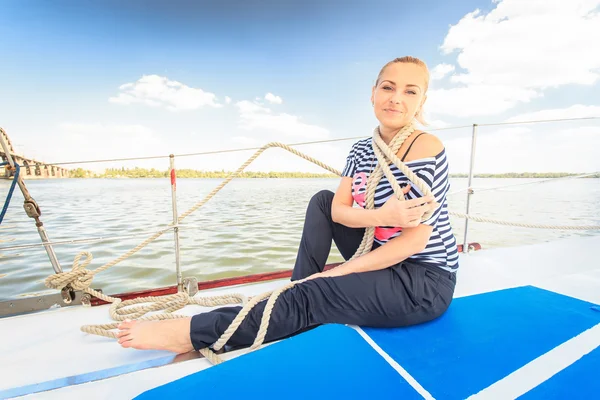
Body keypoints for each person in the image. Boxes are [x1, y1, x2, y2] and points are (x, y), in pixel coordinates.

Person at [116, 56, 459, 354]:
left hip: (422, 280)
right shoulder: (361, 150)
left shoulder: (425, 146)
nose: (396, 98)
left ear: (421, 101)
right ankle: (296, 291)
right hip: (382, 259)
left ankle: (190, 333)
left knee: (314, 293)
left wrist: (338, 273)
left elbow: (414, 242)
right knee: (321, 202)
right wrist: (382, 215)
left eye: (410, 91)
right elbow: (338, 211)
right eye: (388, 87)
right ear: (373, 93)